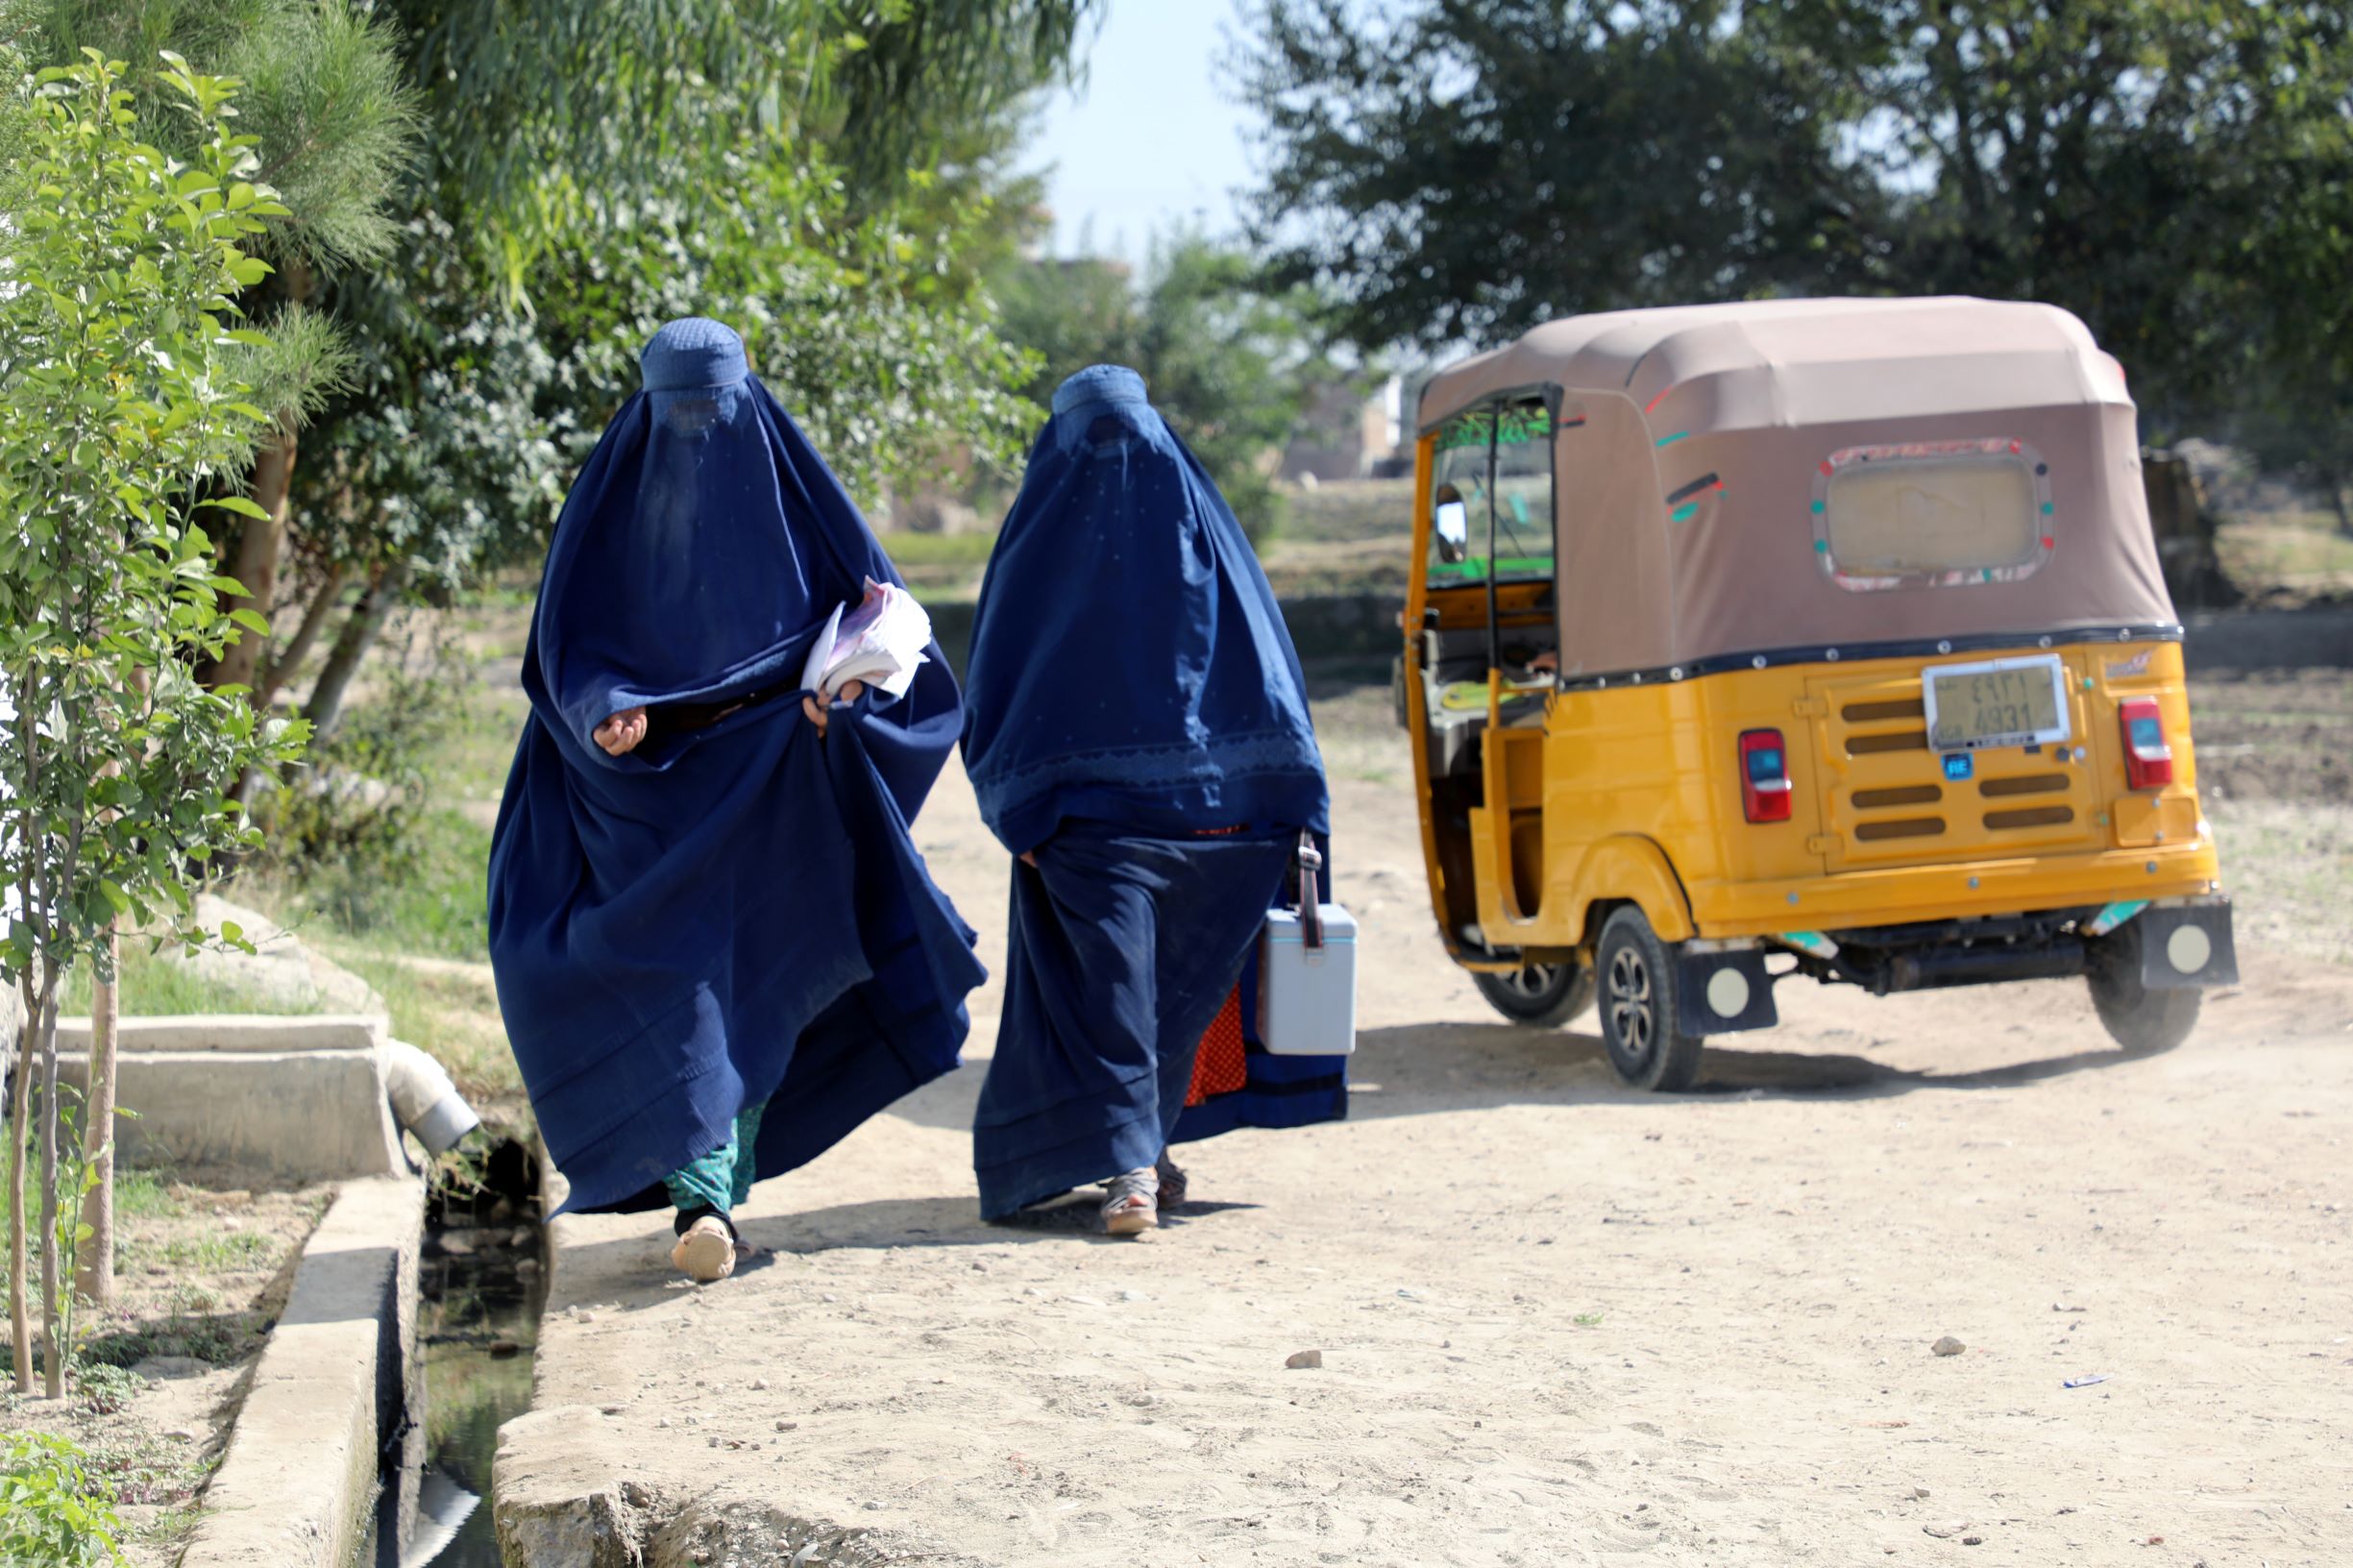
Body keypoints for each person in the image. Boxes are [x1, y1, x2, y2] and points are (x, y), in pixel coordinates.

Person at [488, 317, 984, 1282]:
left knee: (748, 991)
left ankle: (710, 1199)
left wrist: (844, 700)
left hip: (771, 794)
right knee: (685, 988)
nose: (698, 435)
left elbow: (890, 630)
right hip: (644, 799)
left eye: (713, 411)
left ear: (746, 405)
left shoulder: (802, 501)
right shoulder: (608, 512)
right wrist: (608, 712)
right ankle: (707, 1201)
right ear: (646, 413)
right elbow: (567, 653)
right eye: (679, 414)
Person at [961, 365, 1344, 1235]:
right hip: (1088, 823)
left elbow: (1263, 669)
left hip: (1212, 825)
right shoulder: (1041, 553)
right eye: (1095, 438)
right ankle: (1132, 1166)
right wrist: (1017, 811)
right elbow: (994, 681)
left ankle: (1144, 1150)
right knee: (1116, 995)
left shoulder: (1196, 540)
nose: (1114, 459)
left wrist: (1291, 799)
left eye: (1125, 436)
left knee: (1170, 999)